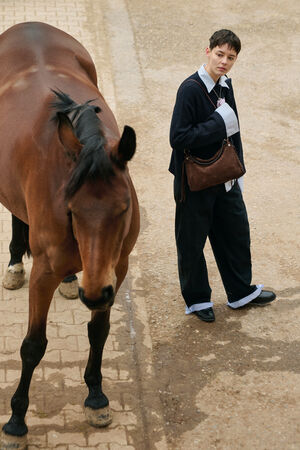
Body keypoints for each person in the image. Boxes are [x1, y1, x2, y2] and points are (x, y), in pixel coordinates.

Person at [169, 29, 276, 322]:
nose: (224, 62)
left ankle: (240, 292)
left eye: (231, 57)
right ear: (208, 51)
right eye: (220, 54)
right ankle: (198, 299)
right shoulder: (190, 89)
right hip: (194, 180)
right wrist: (218, 123)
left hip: (225, 175)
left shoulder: (225, 85)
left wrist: (239, 167)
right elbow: (178, 138)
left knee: (236, 233)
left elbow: (234, 129)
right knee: (191, 241)